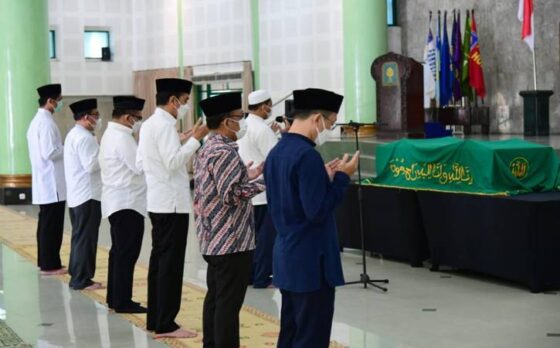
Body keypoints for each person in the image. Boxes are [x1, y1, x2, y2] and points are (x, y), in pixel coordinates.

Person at [263, 88, 359, 348]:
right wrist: (342, 178)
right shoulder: (307, 156)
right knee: (311, 337)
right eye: (330, 122)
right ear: (317, 119)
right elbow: (316, 211)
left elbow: (289, 197)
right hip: (311, 261)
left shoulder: (277, 152)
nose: (329, 128)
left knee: (292, 331)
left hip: (287, 255)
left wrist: (321, 178)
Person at [136, 78, 208, 338]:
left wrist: (184, 137)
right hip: (172, 204)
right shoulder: (164, 126)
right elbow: (173, 162)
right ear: (174, 101)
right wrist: (196, 140)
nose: (186, 107)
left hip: (158, 200)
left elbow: (150, 158)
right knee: (170, 265)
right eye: (185, 102)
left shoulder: (150, 124)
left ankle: (156, 318)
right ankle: (167, 323)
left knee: (159, 262)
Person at [194, 92, 265, 348]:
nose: (243, 122)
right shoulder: (223, 152)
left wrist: (248, 174)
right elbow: (231, 195)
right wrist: (263, 182)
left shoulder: (209, 148)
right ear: (226, 122)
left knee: (216, 298)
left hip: (214, 239)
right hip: (230, 240)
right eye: (239, 117)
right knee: (227, 304)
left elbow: (219, 186)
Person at [99, 96, 147, 313]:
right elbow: (139, 166)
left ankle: (115, 298)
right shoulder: (122, 138)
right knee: (126, 254)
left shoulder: (112, 134)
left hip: (118, 201)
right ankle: (122, 301)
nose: (138, 122)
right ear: (128, 117)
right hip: (127, 203)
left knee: (118, 252)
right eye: (138, 118)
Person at [237, 89, 278, 289]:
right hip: (263, 193)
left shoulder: (243, 126)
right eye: (269, 105)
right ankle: (262, 278)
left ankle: (250, 276)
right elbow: (274, 159)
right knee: (265, 239)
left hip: (247, 191)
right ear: (263, 106)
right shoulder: (263, 129)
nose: (270, 109)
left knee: (251, 240)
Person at [26, 83, 67, 276]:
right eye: (58, 101)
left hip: (44, 182)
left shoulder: (36, 121)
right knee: (52, 226)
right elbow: (50, 152)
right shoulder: (47, 123)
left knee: (45, 225)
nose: (59, 104)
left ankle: (45, 261)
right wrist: (67, 148)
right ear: (50, 101)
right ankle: (51, 265)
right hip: (52, 184)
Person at [64, 98, 103, 291]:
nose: (98, 118)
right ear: (87, 117)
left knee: (80, 237)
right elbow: (91, 165)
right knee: (86, 239)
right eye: (96, 115)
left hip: (78, 195)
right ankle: (81, 279)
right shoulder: (85, 138)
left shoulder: (74, 134)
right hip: (87, 195)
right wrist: (104, 153)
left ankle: (77, 273)